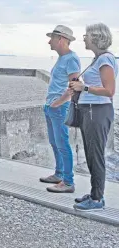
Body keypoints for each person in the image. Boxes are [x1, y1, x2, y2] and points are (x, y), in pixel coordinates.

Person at [70, 23, 117, 211]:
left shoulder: (105, 59)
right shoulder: (98, 59)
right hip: (90, 110)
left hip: (96, 111)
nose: (84, 38)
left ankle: (97, 199)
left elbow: (109, 91)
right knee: (90, 154)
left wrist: (84, 88)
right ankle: (95, 193)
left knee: (95, 155)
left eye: (86, 35)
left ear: (97, 37)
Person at [39, 25, 80, 193]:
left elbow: (74, 86)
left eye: (52, 38)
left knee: (62, 144)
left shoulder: (71, 58)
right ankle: (59, 174)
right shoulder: (62, 58)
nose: (49, 41)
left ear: (61, 39)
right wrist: (50, 104)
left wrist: (58, 102)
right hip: (51, 107)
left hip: (59, 107)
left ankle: (68, 182)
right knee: (55, 142)